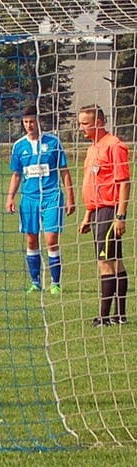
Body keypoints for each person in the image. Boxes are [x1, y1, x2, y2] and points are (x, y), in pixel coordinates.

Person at [6, 105, 75, 295]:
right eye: (26, 122)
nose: (29, 125)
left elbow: (64, 172)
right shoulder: (19, 146)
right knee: (31, 240)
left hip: (52, 196)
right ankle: (35, 282)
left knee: (51, 239)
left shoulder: (53, 142)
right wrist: (10, 197)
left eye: (32, 121)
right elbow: (17, 174)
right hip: (29, 199)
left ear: (39, 121)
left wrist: (71, 198)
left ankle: (55, 283)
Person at [77, 104, 131, 326]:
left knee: (105, 262)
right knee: (115, 262)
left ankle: (105, 317)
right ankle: (119, 316)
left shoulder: (114, 146)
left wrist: (120, 216)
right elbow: (94, 184)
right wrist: (87, 215)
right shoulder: (92, 148)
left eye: (85, 123)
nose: (81, 128)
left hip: (109, 212)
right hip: (97, 211)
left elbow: (124, 182)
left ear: (99, 122)